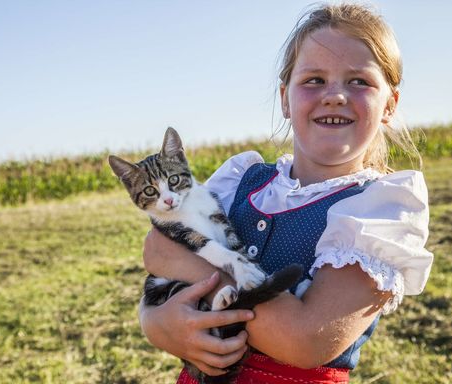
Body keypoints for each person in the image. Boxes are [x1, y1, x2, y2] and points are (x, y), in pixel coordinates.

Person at [140, 3, 434, 383]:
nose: (335, 96)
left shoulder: (378, 209)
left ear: (390, 105)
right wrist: (156, 324)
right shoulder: (241, 179)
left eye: (359, 81)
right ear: (284, 99)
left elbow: (305, 339)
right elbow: (155, 253)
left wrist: (199, 269)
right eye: (313, 80)